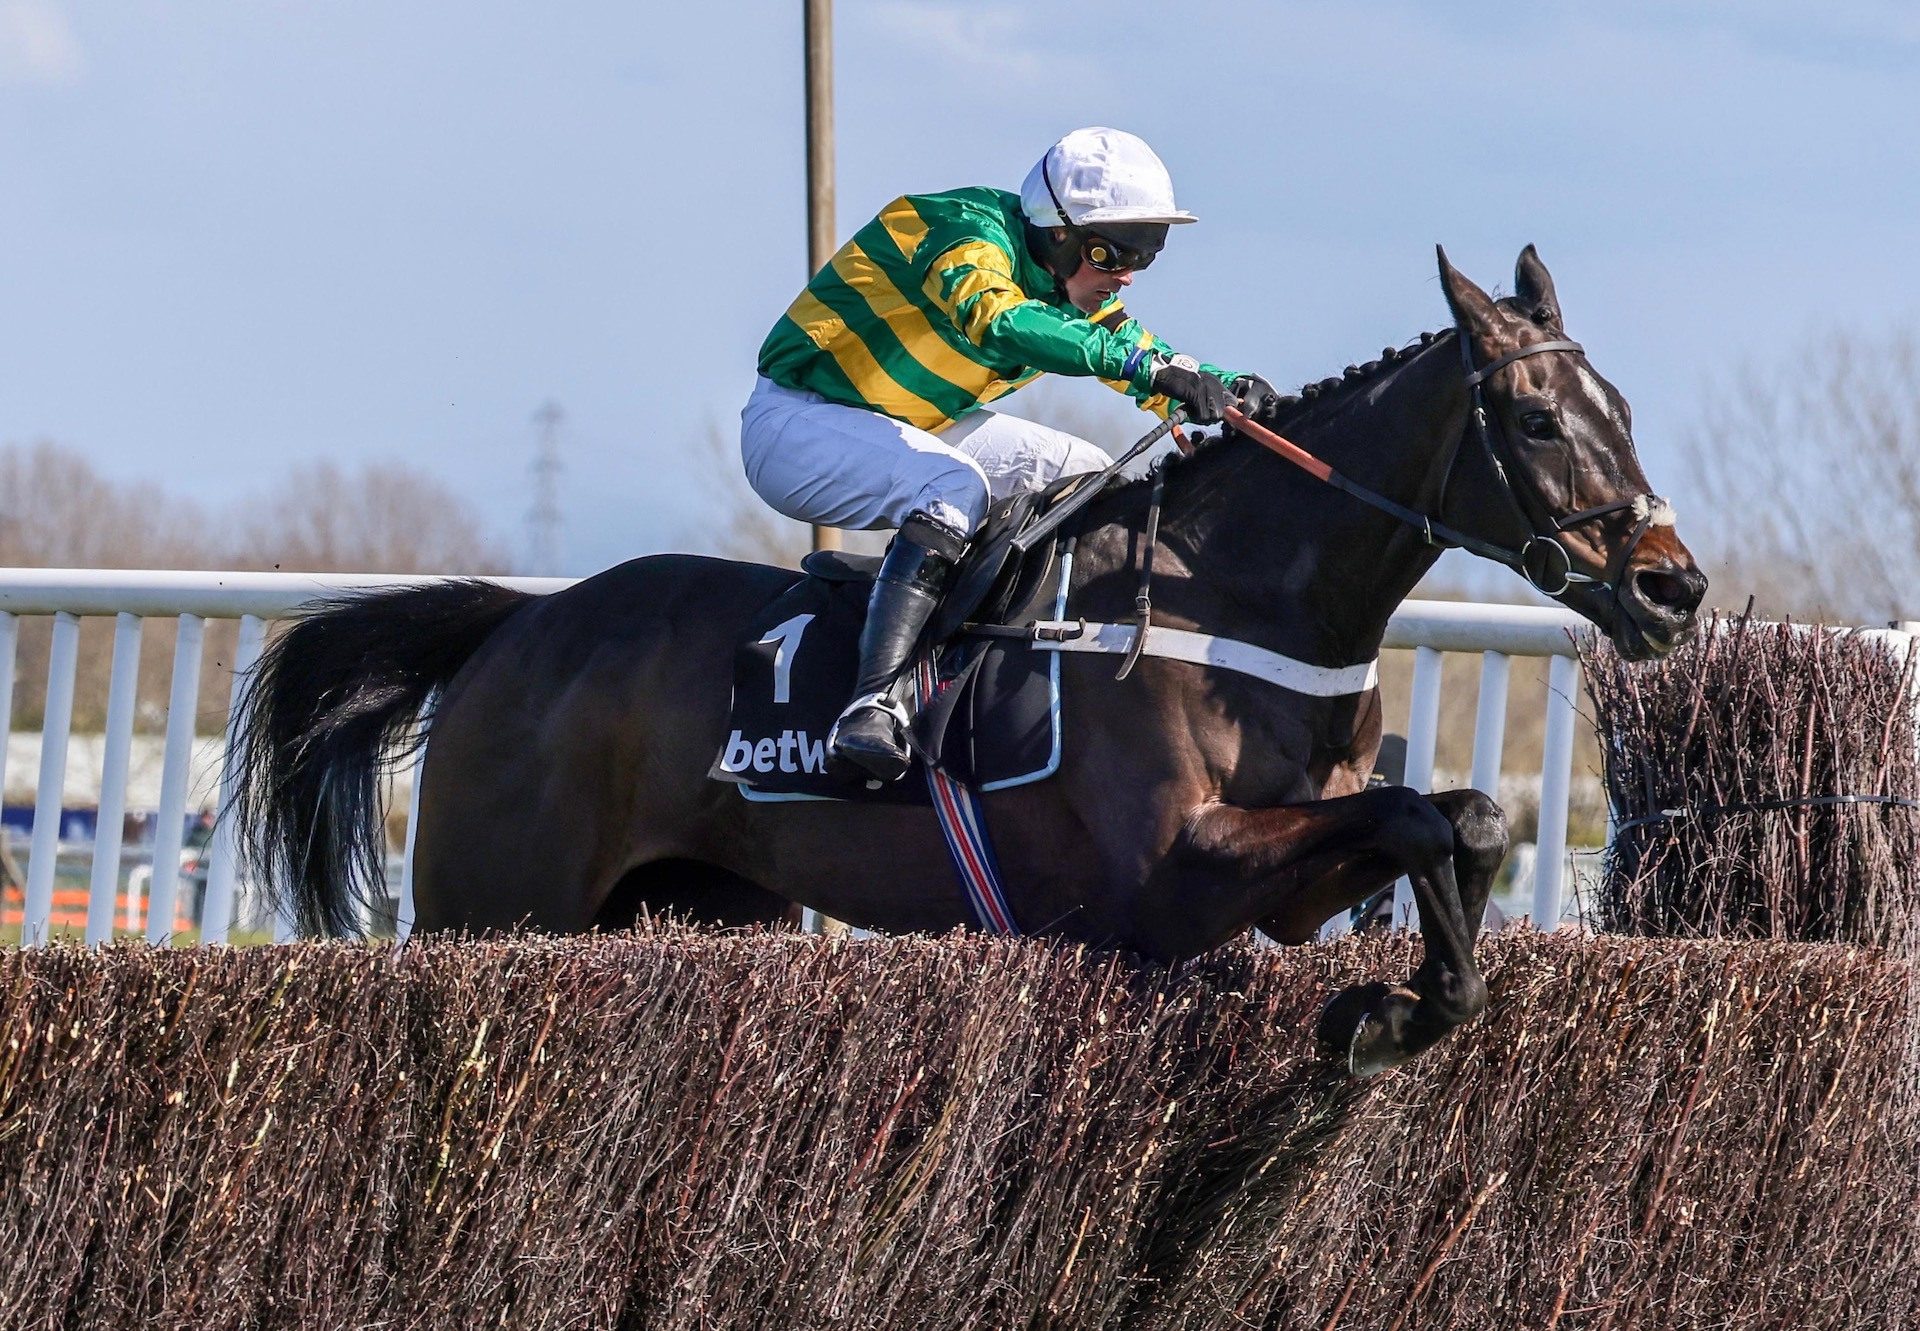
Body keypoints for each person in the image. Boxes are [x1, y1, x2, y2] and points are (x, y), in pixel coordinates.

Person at [741, 127, 1276, 782]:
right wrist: (1146, 370)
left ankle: (1017, 665)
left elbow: (1145, 356)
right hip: (797, 421)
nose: (1127, 274)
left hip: (914, 422)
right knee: (953, 487)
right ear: (1058, 233)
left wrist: (1222, 393)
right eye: (1116, 253)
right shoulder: (959, 232)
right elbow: (996, 319)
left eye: (1146, 255)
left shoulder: (1070, 281)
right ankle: (872, 700)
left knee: (1086, 472)